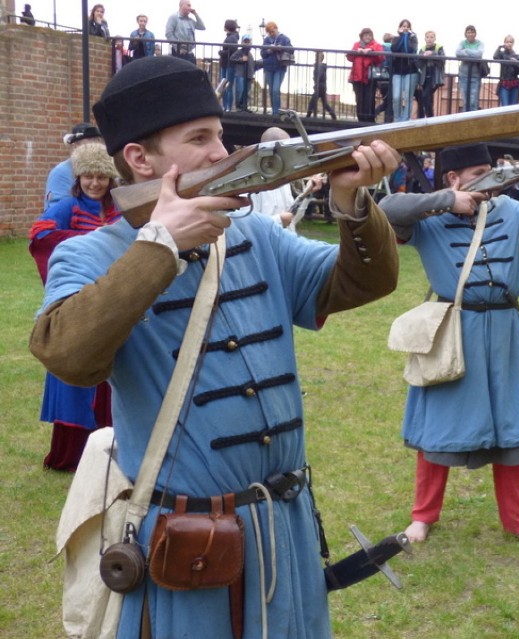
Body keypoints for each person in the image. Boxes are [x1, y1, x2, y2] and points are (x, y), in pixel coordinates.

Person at [30, 55, 401, 639]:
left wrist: (353, 203)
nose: (218, 151)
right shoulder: (92, 254)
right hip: (189, 537)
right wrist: (159, 248)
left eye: (219, 135)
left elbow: (360, 282)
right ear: (139, 158)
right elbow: (67, 356)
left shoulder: (252, 233)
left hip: (285, 523)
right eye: (199, 138)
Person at [379, 143, 519, 551]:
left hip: (505, 330)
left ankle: (518, 521)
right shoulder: (429, 216)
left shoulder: (510, 210)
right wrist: (449, 201)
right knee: (438, 429)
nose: (491, 178)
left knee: (511, 428)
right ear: (454, 178)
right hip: (454, 331)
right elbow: (387, 208)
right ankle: (422, 516)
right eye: (480, 171)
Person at [29, 143, 121, 471]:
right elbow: (40, 236)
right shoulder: (67, 206)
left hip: (111, 300)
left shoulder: (120, 209)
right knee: (76, 368)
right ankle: (72, 454)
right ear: (78, 177)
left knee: (114, 371)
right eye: (88, 176)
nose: (94, 183)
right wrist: (89, 244)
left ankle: (112, 444)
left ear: (112, 179)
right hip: (76, 302)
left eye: (101, 176)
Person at [44, 123, 104, 209]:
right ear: (74, 147)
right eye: (87, 147)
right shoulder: (61, 173)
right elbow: (58, 213)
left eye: (97, 147)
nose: (93, 152)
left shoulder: (104, 170)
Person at [347, 27, 384, 122]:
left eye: (369, 35)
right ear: (362, 36)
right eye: (366, 35)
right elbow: (349, 57)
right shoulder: (356, 45)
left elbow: (381, 57)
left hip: (370, 78)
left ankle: (370, 120)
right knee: (359, 100)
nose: (368, 37)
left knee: (370, 100)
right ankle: (361, 120)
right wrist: (356, 51)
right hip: (357, 77)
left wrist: (371, 51)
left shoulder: (376, 45)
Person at [260, 21, 294, 116]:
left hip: (280, 67)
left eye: (272, 31)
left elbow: (291, 50)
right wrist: (269, 50)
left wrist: (281, 48)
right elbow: (262, 54)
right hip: (268, 67)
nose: (271, 34)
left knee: (275, 89)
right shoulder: (266, 40)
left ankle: (276, 112)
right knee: (271, 90)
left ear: (276, 28)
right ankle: (275, 110)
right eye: (269, 32)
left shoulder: (284, 38)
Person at [390, 19, 418, 122]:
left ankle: (405, 119)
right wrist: (402, 36)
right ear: (399, 27)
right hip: (397, 71)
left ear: (410, 28)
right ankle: (397, 118)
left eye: (407, 26)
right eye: (403, 26)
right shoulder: (396, 38)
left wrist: (406, 36)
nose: (405, 28)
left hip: (411, 71)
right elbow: (394, 48)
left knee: (408, 97)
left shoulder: (413, 39)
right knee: (396, 96)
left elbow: (409, 50)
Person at [416, 30, 445, 118]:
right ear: (425, 39)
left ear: (435, 38)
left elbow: (443, 59)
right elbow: (418, 64)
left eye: (431, 37)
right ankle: (429, 117)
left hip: (434, 77)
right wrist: (422, 56)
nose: (429, 39)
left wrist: (432, 54)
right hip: (424, 77)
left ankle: (430, 116)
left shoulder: (439, 47)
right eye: (427, 37)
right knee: (428, 98)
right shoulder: (422, 49)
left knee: (425, 96)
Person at [456, 25, 485, 112]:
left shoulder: (480, 43)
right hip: (463, 75)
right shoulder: (462, 43)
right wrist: (473, 54)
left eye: (472, 32)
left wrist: (466, 51)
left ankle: (474, 120)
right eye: (468, 32)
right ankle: (465, 120)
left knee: (473, 101)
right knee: (465, 100)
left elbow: (479, 54)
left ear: (475, 34)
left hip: (475, 76)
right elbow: (457, 53)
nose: (470, 34)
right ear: (465, 34)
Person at [306, 51, 337, 119]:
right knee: (324, 103)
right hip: (323, 86)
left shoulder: (319, 66)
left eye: (316, 57)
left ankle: (308, 115)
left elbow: (318, 76)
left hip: (319, 86)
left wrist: (316, 85)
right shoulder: (322, 66)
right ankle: (333, 114)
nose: (315, 58)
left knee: (313, 101)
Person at [493, 35, 519, 107]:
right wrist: (499, 47)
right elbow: (495, 57)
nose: (509, 44)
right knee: (505, 105)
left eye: (511, 42)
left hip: (514, 82)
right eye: (507, 42)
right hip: (504, 82)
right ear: (504, 43)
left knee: (513, 106)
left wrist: (515, 63)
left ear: (513, 43)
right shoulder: (502, 55)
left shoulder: (517, 56)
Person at [218, 19, 240, 112]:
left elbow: (232, 51)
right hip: (228, 64)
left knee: (226, 86)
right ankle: (226, 106)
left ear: (226, 27)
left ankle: (227, 107)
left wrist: (221, 52)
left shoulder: (231, 38)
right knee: (227, 86)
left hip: (228, 64)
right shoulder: (233, 37)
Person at [230, 33, 255, 111]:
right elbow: (232, 58)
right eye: (245, 41)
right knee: (240, 90)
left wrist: (252, 75)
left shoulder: (250, 55)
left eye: (248, 41)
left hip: (249, 75)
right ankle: (238, 107)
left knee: (247, 92)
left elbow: (252, 66)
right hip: (240, 74)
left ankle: (244, 107)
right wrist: (241, 59)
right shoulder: (239, 52)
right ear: (242, 42)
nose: (247, 43)